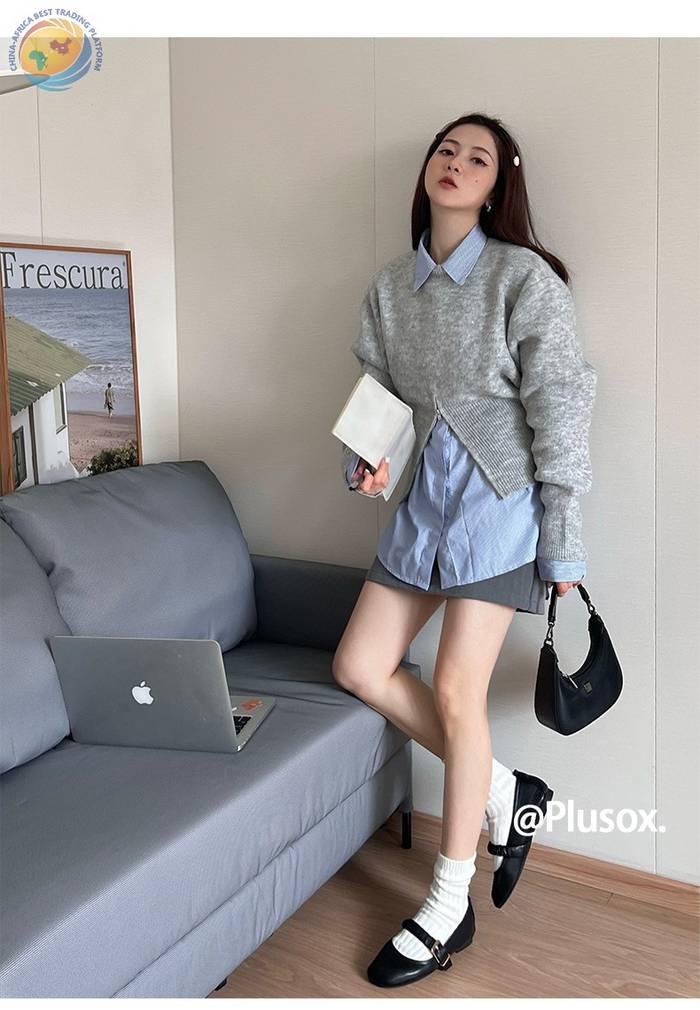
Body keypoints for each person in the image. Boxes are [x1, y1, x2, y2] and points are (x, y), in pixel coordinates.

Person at [332, 113, 597, 988]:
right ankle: (505, 794)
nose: (455, 164)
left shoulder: (523, 279)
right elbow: (380, 398)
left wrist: (563, 541)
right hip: (420, 508)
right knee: (359, 666)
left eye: (476, 158)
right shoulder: (388, 288)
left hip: (500, 512)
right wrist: (366, 463)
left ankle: (448, 904)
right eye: (446, 150)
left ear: (496, 186)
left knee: (455, 691)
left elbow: (561, 408)